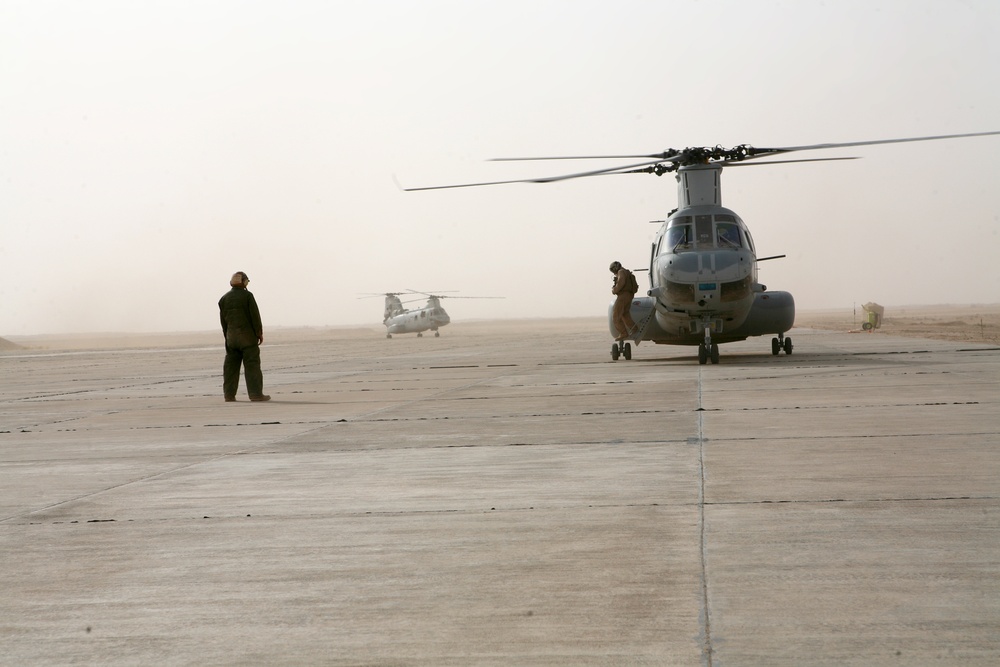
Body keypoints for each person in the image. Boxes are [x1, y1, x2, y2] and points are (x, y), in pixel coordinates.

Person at [219, 271, 270, 402]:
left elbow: (223, 322)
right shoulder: (248, 296)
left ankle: (229, 395)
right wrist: (259, 333)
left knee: (230, 368)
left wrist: (227, 336)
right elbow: (255, 317)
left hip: (231, 338)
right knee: (252, 365)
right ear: (244, 282)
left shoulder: (224, 299)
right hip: (247, 338)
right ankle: (255, 394)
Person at [610, 260, 637, 341]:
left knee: (616, 316)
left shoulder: (621, 272)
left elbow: (621, 283)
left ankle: (623, 333)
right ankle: (634, 328)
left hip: (623, 296)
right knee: (624, 314)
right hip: (629, 295)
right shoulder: (626, 272)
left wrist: (614, 290)